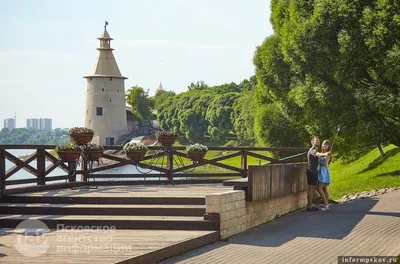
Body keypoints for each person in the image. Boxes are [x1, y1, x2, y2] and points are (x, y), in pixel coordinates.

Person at [306, 136, 329, 211]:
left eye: (319, 141)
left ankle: (310, 205)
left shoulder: (315, 150)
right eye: (316, 140)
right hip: (311, 171)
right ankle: (309, 206)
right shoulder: (313, 150)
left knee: (312, 189)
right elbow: (318, 154)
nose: (318, 142)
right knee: (311, 189)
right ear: (312, 142)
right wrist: (325, 154)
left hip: (314, 172)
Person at [317, 140, 332, 211]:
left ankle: (326, 204)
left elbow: (325, 163)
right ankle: (327, 205)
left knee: (319, 188)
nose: (325, 146)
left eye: (327, 145)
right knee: (325, 189)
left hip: (324, 171)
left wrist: (318, 162)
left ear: (329, 146)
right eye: (324, 144)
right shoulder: (322, 153)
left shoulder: (328, 154)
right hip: (322, 171)